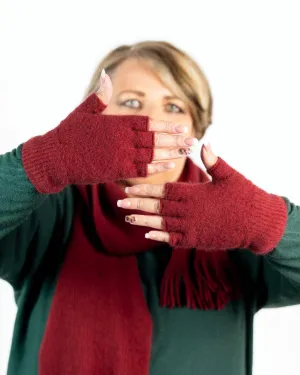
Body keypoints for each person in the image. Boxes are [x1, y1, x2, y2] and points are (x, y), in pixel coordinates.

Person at [1, 41, 300, 375]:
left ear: (196, 127)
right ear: (94, 117)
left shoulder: (234, 226)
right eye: (131, 102)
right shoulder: (49, 211)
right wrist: (45, 160)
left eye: (173, 107)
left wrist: (269, 221)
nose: (151, 120)